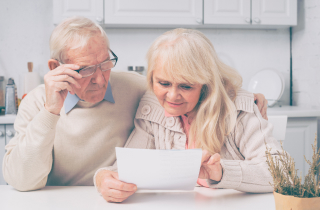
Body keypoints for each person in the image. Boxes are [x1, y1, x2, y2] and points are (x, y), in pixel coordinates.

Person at [2, 17, 267, 191]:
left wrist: (238, 96)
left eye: (105, 64)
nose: (99, 78)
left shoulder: (137, 87)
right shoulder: (37, 103)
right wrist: (50, 112)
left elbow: (187, 78)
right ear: (55, 68)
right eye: (84, 70)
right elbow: (22, 181)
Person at [94, 28, 281, 203]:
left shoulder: (239, 109)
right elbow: (126, 169)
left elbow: (280, 172)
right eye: (164, 83)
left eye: (186, 86)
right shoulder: (151, 105)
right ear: (151, 79)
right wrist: (102, 178)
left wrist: (222, 172)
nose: (172, 96)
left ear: (206, 84)